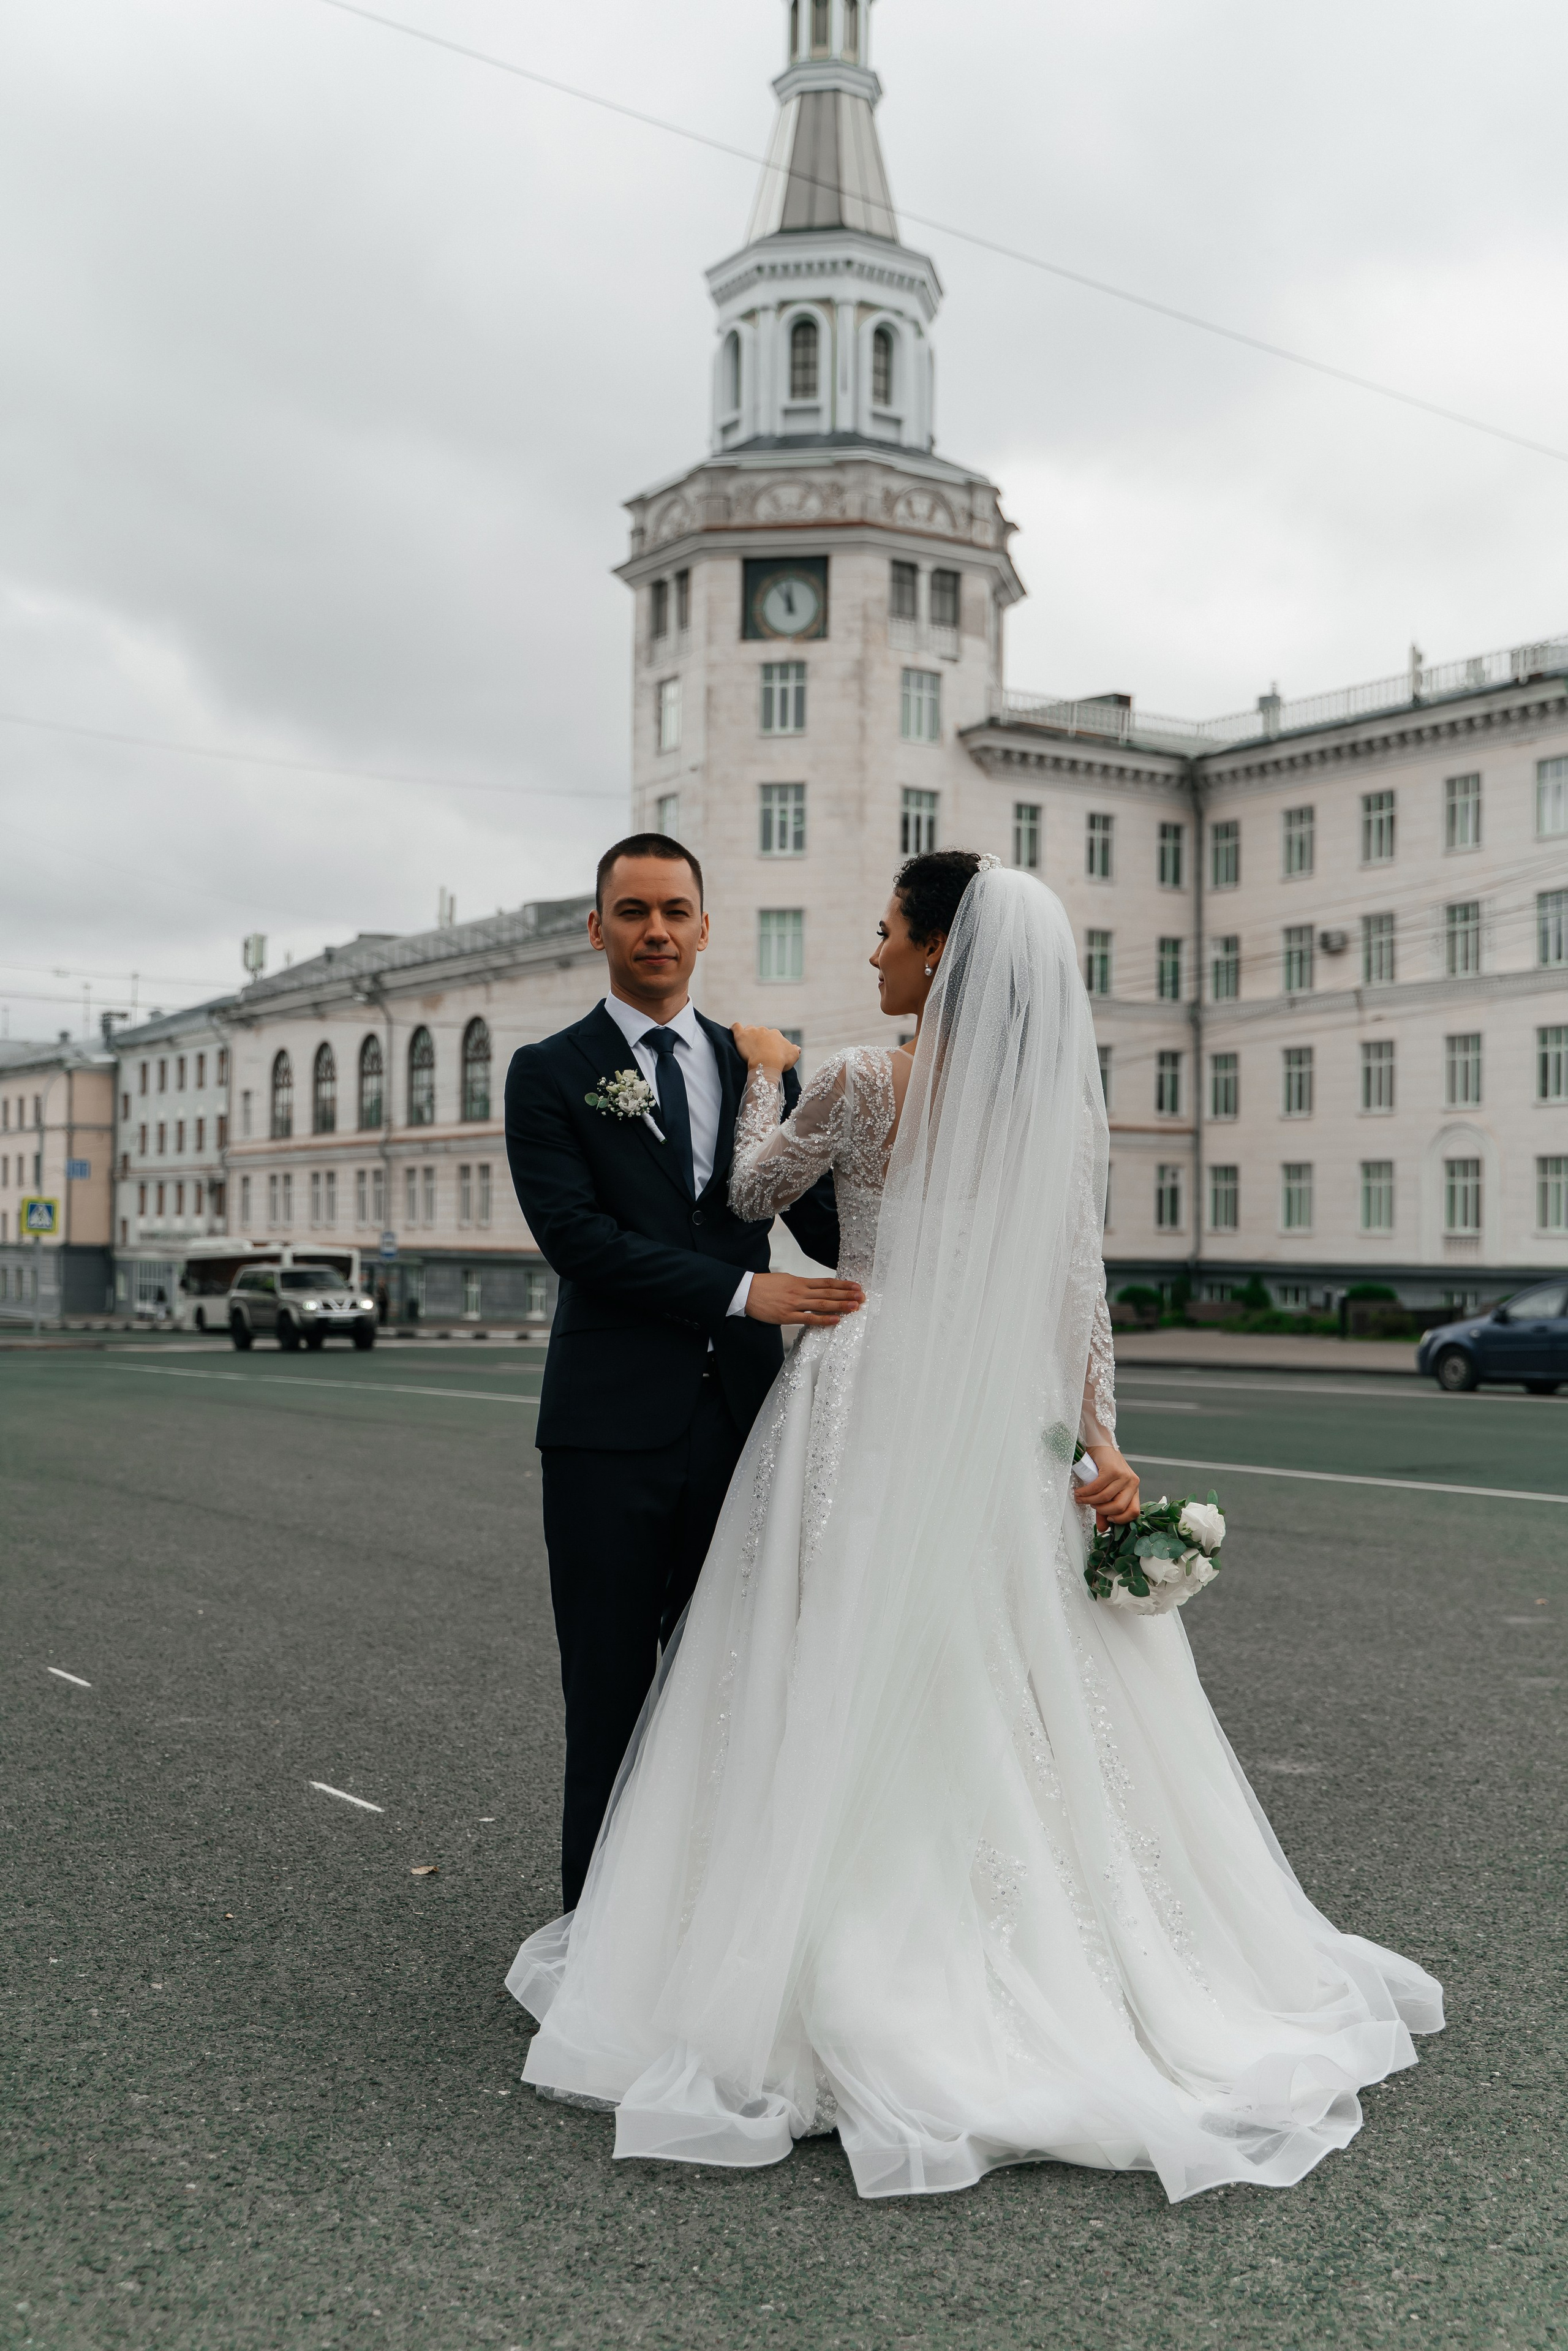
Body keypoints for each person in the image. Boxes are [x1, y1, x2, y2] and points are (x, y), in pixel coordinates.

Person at [507, 850, 1442, 2203]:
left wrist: (766, 1069)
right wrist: (1101, 1444)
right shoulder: (1057, 1109)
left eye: (885, 933)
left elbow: (756, 1196)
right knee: (991, 1670)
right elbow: (1078, 1293)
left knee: (821, 1656)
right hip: (999, 1407)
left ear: (938, 955)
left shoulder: (856, 1073)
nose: (871, 955)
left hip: (865, 1393)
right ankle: (1041, 1947)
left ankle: (776, 1939)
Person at [504, 833, 857, 1912]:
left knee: (736, 1693)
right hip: (609, 1434)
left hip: (750, 1422)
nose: (654, 930)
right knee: (608, 1694)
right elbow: (580, 1240)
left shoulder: (763, 1063)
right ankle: (593, 1943)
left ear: (707, 926)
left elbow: (835, 1226)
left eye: (674, 911)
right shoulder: (551, 1072)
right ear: (597, 926)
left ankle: (710, 1940)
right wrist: (748, 1293)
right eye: (632, 911)